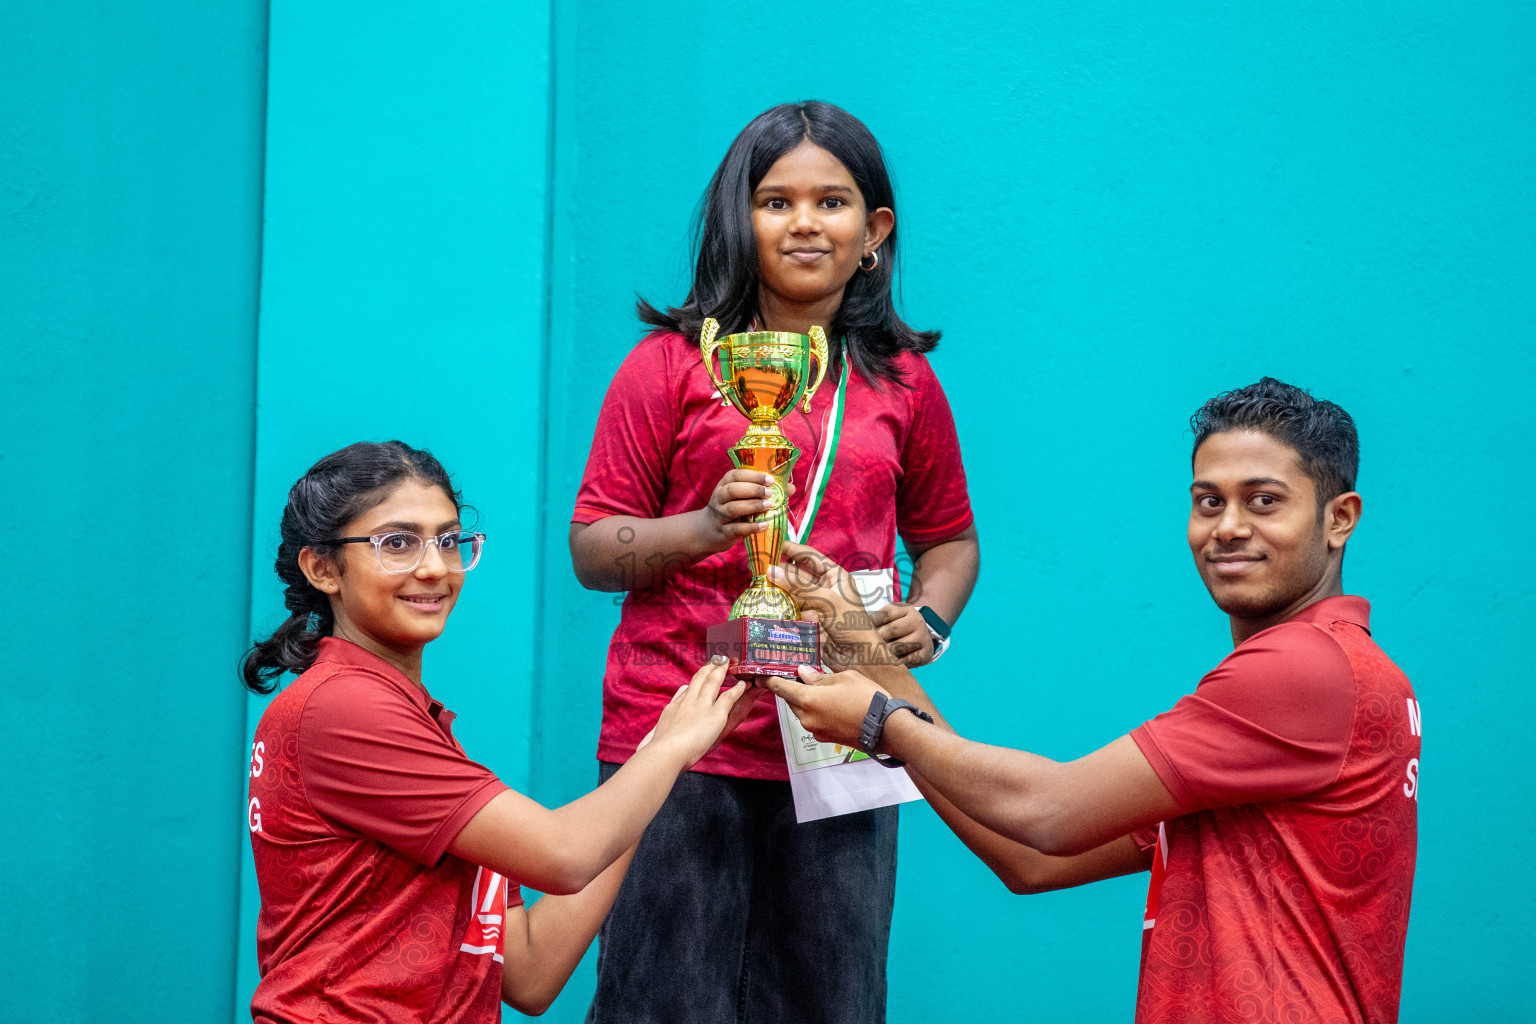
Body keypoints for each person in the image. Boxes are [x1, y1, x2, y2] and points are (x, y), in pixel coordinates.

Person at [767, 379, 1420, 1024]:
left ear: (1339, 518)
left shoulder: (1305, 667)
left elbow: (1049, 811)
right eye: (1208, 502)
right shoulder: (1310, 686)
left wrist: (882, 725)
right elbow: (1033, 859)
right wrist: (862, 647)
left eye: (1264, 501)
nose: (1228, 528)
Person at [568, 101, 980, 1023]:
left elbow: (949, 541)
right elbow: (595, 547)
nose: (803, 223)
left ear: (874, 231)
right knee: (659, 1002)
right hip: (678, 736)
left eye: (832, 202)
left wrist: (934, 616)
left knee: (830, 1002)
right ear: (736, 220)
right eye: (775, 201)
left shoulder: (908, 385)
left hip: (842, 730)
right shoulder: (668, 366)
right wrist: (704, 528)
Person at [242, 441, 751, 1023]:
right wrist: (667, 748)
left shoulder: (409, 720)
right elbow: (565, 856)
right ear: (322, 568)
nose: (435, 566)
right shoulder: (343, 708)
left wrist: (662, 761)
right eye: (397, 543)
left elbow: (530, 970)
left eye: (449, 539)